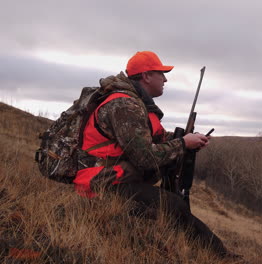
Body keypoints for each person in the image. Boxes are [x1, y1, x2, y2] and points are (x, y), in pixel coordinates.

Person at [73, 51, 228, 256]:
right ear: (146, 76)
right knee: (173, 205)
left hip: (113, 177)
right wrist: (182, 144)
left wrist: (188, 139)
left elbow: (156, 136)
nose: (165, 79)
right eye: (160, 74)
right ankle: (220, 256)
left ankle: (211, 251)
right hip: (100, 184)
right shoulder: (125, 105)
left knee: (170, 203)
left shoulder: (137, 103)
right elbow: (145, 158)